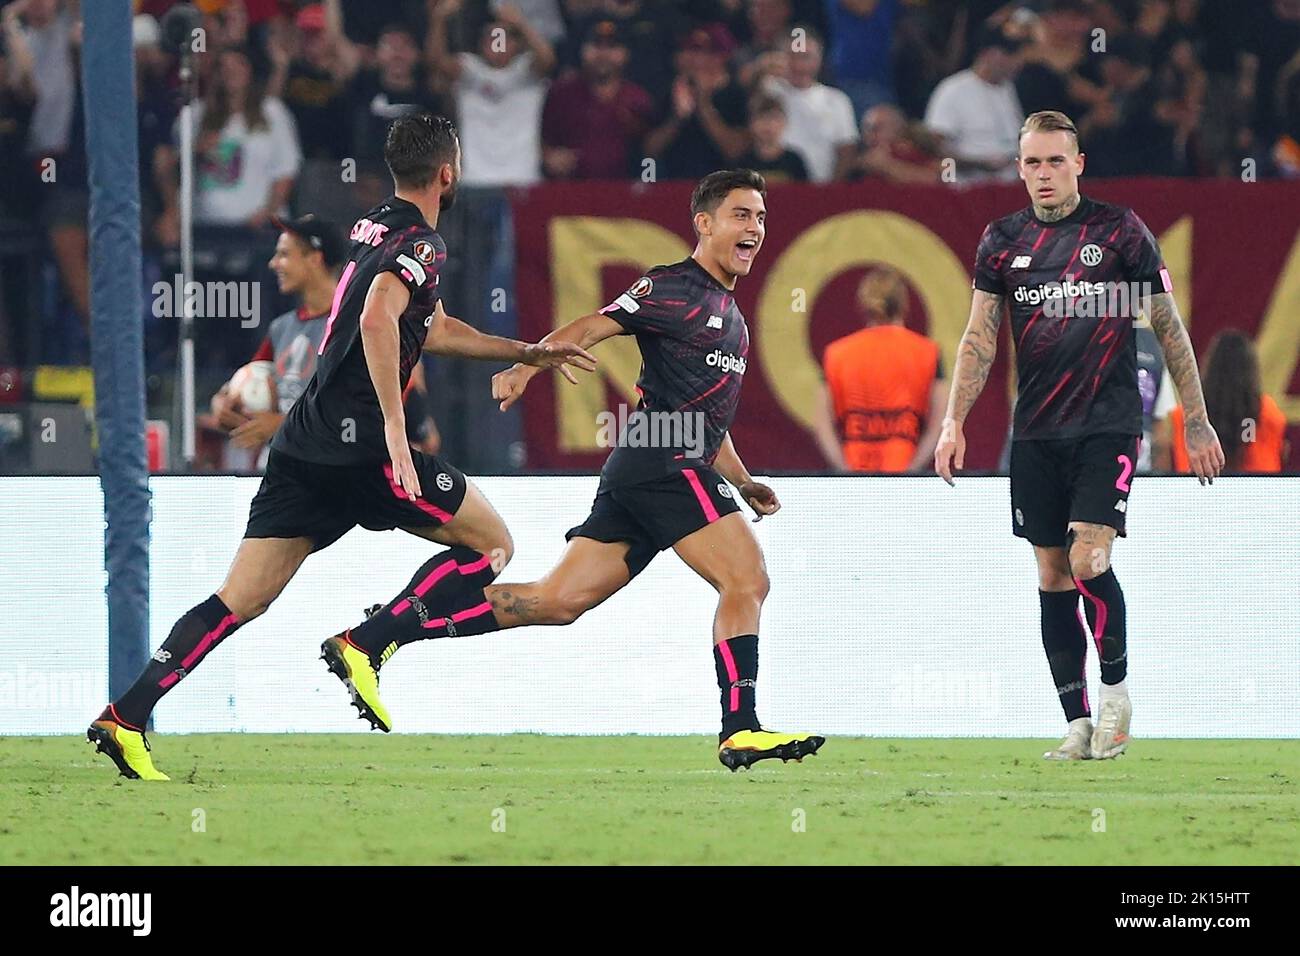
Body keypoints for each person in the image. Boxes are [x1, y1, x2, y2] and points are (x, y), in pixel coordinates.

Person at [87, 115, 595, 780]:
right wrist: (394, 429)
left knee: (240, 599)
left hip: (304, 442)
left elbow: (430, 328)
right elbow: (379, 317)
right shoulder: (426, 244)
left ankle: (124, 718)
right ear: (449, 172)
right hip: (359, 449)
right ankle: (369, 643)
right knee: (491, 545)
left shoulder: (374, 226)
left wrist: (524, 350)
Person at [333, 169, 825, 771]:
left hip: (657, 464)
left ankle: (376, 638)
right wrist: (528, 364)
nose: (756, 228)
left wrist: (743, 482)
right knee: (746, 580)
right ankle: (741, 728)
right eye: (742, 215)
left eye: (761, 218)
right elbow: (593, 325)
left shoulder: (732, 318)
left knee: (557, 601)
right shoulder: (672, 287)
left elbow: (704, 423)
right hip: (659, 463)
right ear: (705, 224)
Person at [935, 110, 1224, 762]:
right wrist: (954, 419)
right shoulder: (1000, 240)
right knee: (1052, 574)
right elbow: (979, 338)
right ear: (1018, 167)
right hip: (1036, 431)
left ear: (1078, 164)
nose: (1042, 174)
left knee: (1089, 560)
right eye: (1031, 162)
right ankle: (1077, 721)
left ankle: (1115, 691)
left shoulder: (1119, 231)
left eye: (1055, 161)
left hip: (1109, 424)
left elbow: (1169, 328)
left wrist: (1199, 418)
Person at [206, 216, 345, 470]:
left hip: (335, 473)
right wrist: (224, 402)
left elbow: (356, 413)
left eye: (283, 255)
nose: (273, 264)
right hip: (284, 470)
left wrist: (281, 424)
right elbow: (251, 375)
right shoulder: (281, 328)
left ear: (314, 259)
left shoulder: (355, 325)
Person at [812, 267, 946, 472]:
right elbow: (940, 420)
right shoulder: (928, 353)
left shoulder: (836, 354)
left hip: (854, 464)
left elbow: (822, 424)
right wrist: (912, 471)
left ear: (863, 304)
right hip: (904, 462)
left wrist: (845, 472)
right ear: (904, 304)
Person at [1169, 330, 1287, 474]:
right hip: (1257, 492)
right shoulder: (1269, 414)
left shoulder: (1185, 415)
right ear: (1250, 370)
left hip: (1199, 491)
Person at [923, 28, 1024, 183]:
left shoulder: (1008, 89)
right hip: (970, 189)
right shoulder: (953, 89)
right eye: (1008, 55)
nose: (1016, 62)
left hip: (1010, 186)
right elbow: (935, 148)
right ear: (987, 55)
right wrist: (979, 164)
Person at [735, 93, 808, 182]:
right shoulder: (742, 164)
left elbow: (805, 192)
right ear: (751, 124)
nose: (768, 124)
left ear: (784, 122)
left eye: (774, 118)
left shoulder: (794, 161)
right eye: (761, 118)